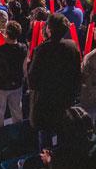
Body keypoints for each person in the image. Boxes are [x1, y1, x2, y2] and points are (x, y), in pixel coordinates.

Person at [28, 14, 81, 149]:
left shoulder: (42, 49)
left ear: (49, 29)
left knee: (45, 138)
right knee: (63, 133)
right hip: (65, 99)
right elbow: (77, 74)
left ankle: (47, 160)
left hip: (45, 102)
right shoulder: (72, 46)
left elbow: (32, 79)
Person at [0, 21, 27, 129]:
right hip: (17, 84)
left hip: (0, 85)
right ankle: (18, 131)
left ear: (6, 34)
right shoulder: (23, 48)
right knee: (17, 109)